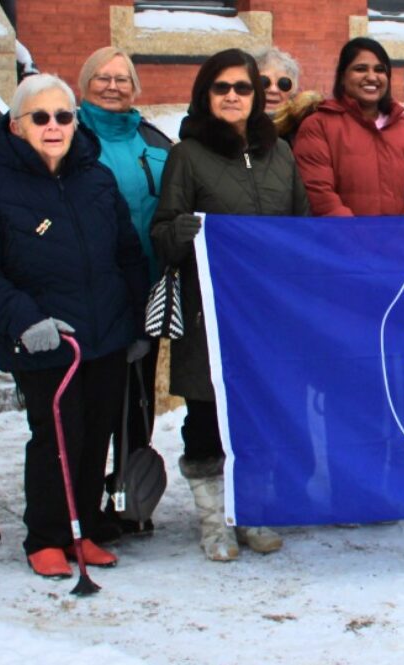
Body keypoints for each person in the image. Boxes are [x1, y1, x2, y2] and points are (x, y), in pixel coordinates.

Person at [0, 74, 149, 579]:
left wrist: (135, 322)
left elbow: (126, 254)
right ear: (18, 127)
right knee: (58, 437)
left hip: (105, 335)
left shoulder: (96, 178)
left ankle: (80, 531)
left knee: (97, 431)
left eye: (63, 116)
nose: (54, 126)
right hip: (46, 337)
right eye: (40, 117)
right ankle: (45, 536)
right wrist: (24, 320)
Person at [150, 48, 309, 561]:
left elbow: (303, 229)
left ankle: (253, 510)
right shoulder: (187, 155)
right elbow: (162, 234)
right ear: (206, 95)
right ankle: (213, 520)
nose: (235, 97)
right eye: (223, 88)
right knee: (207, 414)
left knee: (259, 412)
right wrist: (185, 229)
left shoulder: (280, 153)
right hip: (210, 314)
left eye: (243, 88)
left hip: (269, 315)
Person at [76, 46, 172, 538]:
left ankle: (129, 496)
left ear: (136, 88)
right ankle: (82, 502)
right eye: (102, 78)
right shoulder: (69, 136)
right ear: (84, 83)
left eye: (122, 79)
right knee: (94, 400)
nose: (112, 86)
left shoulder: (154, 140)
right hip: (90, 293)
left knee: (137, 403)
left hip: (147, 288)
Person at [293, 37, 404, 216]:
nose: (371, 77)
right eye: (360, 69)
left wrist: (403, 237)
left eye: (380, 70)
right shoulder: (318, 126)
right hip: (341, 240)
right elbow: (319, 194)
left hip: (400, 241)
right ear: (343, 77)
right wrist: (356, 238)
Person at [254, 46, 300, 115]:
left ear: (293, 91)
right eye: (263, 82)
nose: (273, 90)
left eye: (284, 84)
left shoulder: (305, 124)